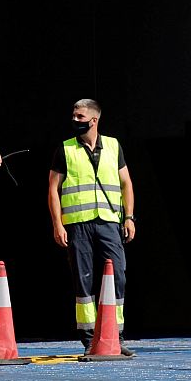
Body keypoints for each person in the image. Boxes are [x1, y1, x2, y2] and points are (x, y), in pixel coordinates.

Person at [47, 98, 135, 356]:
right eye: (74, 116)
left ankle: (114, 336)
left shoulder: (113, 146)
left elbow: (126, 183)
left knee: (117, 276)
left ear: (94, 120)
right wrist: (57, 223)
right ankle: (88, 339)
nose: (75, 120)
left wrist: (129, 217)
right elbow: (53, 188)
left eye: (80, 117)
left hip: (109, 221)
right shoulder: (65, 149)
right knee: (83, 281)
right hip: (78, 225)